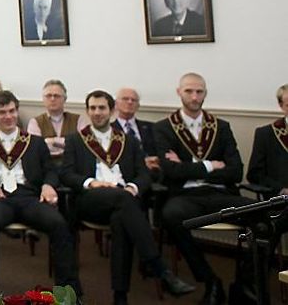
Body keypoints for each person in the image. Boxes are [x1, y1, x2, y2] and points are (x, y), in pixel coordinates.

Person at [60, 91, 193, 305]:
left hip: (123, 201)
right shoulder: (76, 140)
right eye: (92, 108)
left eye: (102, 108)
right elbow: (66, 174)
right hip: (90, 200)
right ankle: (159, 268)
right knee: (124, 202)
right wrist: (91, 182)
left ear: (111, 111)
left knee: (122, 220)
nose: (97, 112)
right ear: (87, 111)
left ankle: (120, 296)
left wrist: (132, 187)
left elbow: (144, 174)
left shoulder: (129, 141)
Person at [0, 91, 80, 295]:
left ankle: (68, 291)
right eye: (2, 112)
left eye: (11, 111)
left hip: (29, 197)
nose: (8, 116)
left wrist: (48, 185)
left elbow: (50, 170)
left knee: (59, 224)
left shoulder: (34, 142)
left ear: (17, 112)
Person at [155, 72, 251, 304]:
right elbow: (171, 172)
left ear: (205, 94)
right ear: (179, 92)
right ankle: (210, 280)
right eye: (189, 91)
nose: (194, 96)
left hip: (220, 193)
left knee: (268, 215)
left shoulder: (221, 127)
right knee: (170, 215)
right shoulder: (163, 128)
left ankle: (244, 284)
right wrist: (210, 165)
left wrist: (187, 166)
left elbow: (236, 171)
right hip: (185, 195)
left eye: (199, 91)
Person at [26, 79, 87, 161]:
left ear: (65, 99)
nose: (52, 99)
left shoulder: (78, 120)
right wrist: (68, 144)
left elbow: (83, 146)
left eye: (57, 96)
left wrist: (52, 141)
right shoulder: (35, 122)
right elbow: (35, 149)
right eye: (48, 96)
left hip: (73, 166)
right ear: (43, 99)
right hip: (46, 167)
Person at [247, 83, 288, 194]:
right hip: (281, 200)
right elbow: (254, 174)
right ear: (281, 106)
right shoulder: (266, 134)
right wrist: (280, 189)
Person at [113, 87, 161, 173]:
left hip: (152, 176)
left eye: (134, 100)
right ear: (116, 104)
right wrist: (142, 163)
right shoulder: (109, 130)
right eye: (125, 99)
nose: (130, 102)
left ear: (138, 106)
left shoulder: (152, 128)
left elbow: (160, 153)